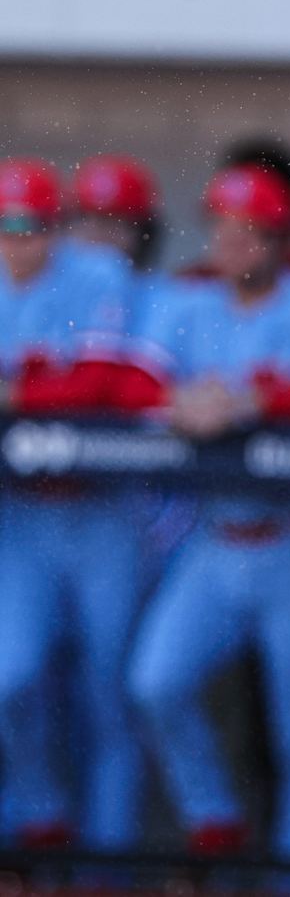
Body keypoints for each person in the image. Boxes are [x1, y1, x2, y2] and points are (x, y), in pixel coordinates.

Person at [126, 163, 290, 861]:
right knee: (155, 682)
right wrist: (177, 406)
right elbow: (130, 381)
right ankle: (214, 819)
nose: (234, 245)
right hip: (214, 539)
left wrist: (250, 400)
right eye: (224, 229)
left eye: (251, 232)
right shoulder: (184, 300)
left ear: (280, 237)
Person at [0, 157, 146, 852]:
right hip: (23, 517)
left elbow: (96, 384)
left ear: (54, 227)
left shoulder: (97, 274)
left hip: (104, 513)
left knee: (108, 695)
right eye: (4, 227)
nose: (16, 240)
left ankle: (110, 853)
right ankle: (40, 817)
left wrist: (20, 393)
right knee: (12, 678)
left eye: (29, 225)